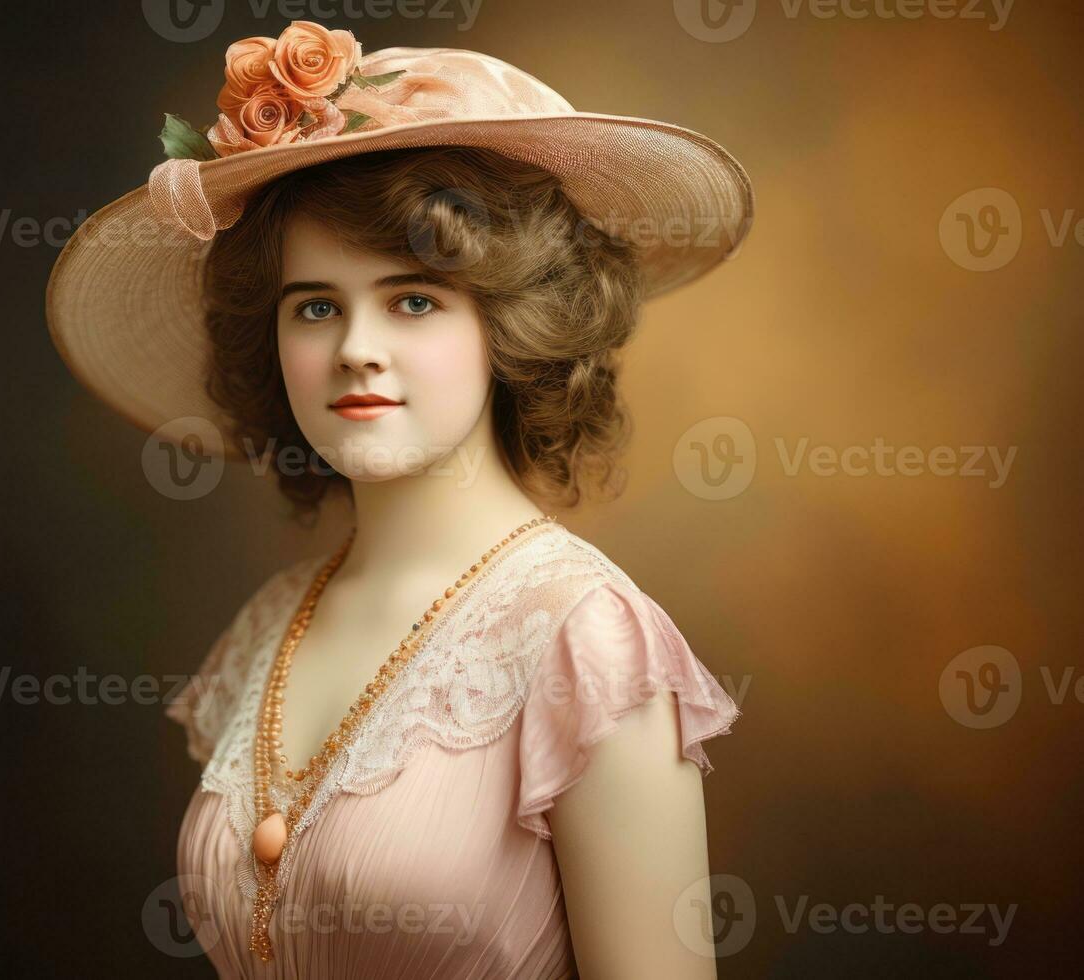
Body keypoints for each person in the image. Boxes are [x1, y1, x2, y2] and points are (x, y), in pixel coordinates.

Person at [46, 20, 751, 978]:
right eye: (316, 306)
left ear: (507, 326)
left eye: (414, 300)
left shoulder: (588, 643)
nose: (355, 348)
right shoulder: (271, 626)